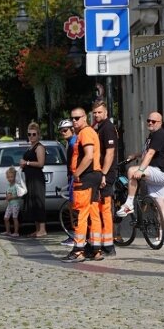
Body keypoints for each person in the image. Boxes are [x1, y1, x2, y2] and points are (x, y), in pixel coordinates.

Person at [116, 112, 164, 245]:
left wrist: (140, 169)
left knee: (131, 171)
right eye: (148, 121)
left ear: (160, 122)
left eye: (153, 121)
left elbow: (151, 153)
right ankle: (163, 238)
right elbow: (147, 151)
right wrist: (135, 155)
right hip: (157, 173)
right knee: (160, 206)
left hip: (159, 172)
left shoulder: (159, 135)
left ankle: (129, 203)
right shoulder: (152, 136)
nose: (150, 123)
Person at [63, 108, 103, 262]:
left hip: (86, 177)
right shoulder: (90, 132)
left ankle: (78, 250)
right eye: (72, 118)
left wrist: (76, 173)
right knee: (94, 213)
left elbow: (89, 155)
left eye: (77, 118)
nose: (74, 121)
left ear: (85, 117)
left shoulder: (85, 133)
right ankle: (95, 249)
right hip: (93, 176)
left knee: (81, 213)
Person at [92, 100, 117, 255]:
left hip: (105, 174)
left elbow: (110, 152)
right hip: (101, 173)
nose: (97, 115)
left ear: (106, 113)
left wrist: (104, 174)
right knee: (100, 209)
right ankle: (102, 242)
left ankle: (108, 245)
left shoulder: (107, 127)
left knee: (105, 209)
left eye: (99, 112)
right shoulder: (99, 127)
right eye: (94, 112)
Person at [19, 122, 47, 238]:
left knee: (39, 202)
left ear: (38, 135)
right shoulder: (30, 146)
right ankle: (37, 229)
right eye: (29, 134)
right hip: (30, 178)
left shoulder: (39, 147)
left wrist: (27, 163)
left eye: (34, 134)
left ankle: (42, 229)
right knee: (33, 203)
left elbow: (41, 163)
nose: (31, 136)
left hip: (37, 179)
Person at [57, 119, 76, 247]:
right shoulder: (68, 142)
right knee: (71, 206)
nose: (63, 133)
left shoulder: (74, 142)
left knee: (75, 207)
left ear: (72, 130)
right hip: (71, 177)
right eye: (61, 131)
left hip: (75, 177)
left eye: (65, 130)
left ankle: (77, 237)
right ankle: (74, 235)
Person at [1, 166, 22, 237]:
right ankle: (8, 231)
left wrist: (12, 197)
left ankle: (16, 232)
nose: (10, 179)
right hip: (10, 204)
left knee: (14, 218)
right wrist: (6, 198)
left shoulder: (16, 186)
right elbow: (7, 194)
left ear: (15, 177)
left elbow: (19, 195)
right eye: (8, 177)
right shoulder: (9, 185)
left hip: (15, 204)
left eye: (11, 177)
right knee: (6, 218)